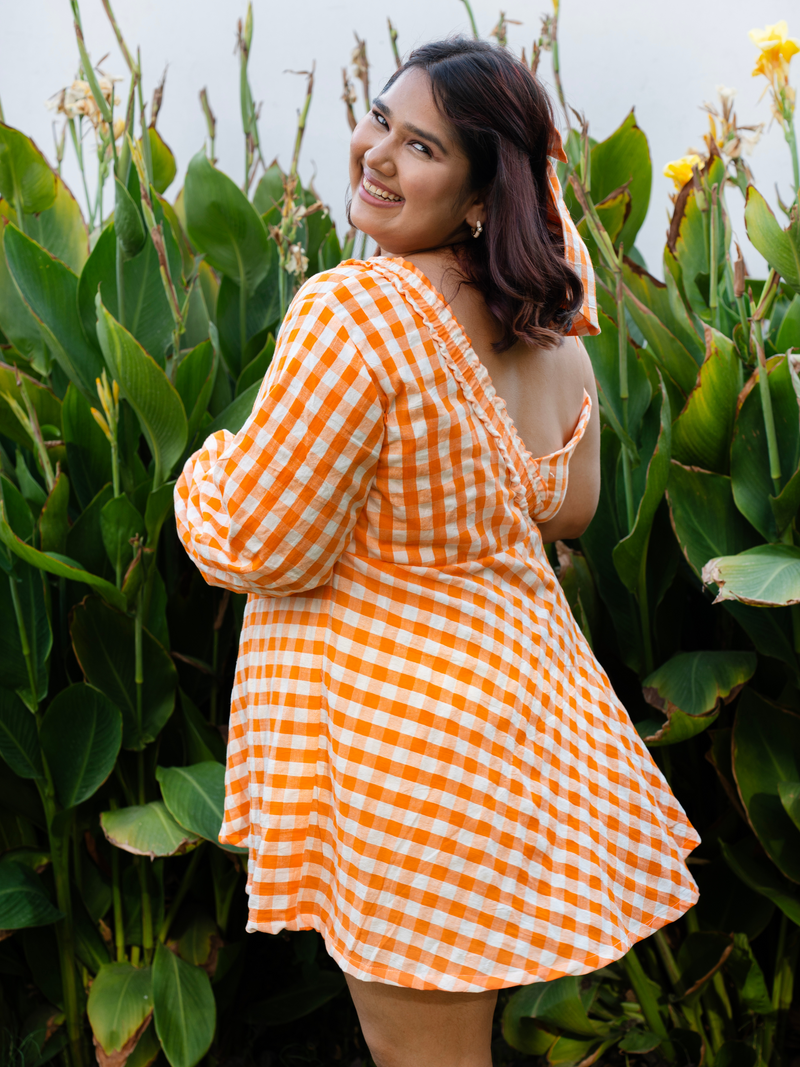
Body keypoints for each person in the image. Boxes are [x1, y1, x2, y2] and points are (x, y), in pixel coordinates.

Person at [174, 36, 699, 1067]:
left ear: (473, 195)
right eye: (379, 116)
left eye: (418, 146)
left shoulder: (359, 311)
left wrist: (207, 464)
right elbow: (572, 507)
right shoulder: (548, 313)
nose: (373, 151)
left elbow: (263, 541)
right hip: (515, 732)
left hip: (397, 751)